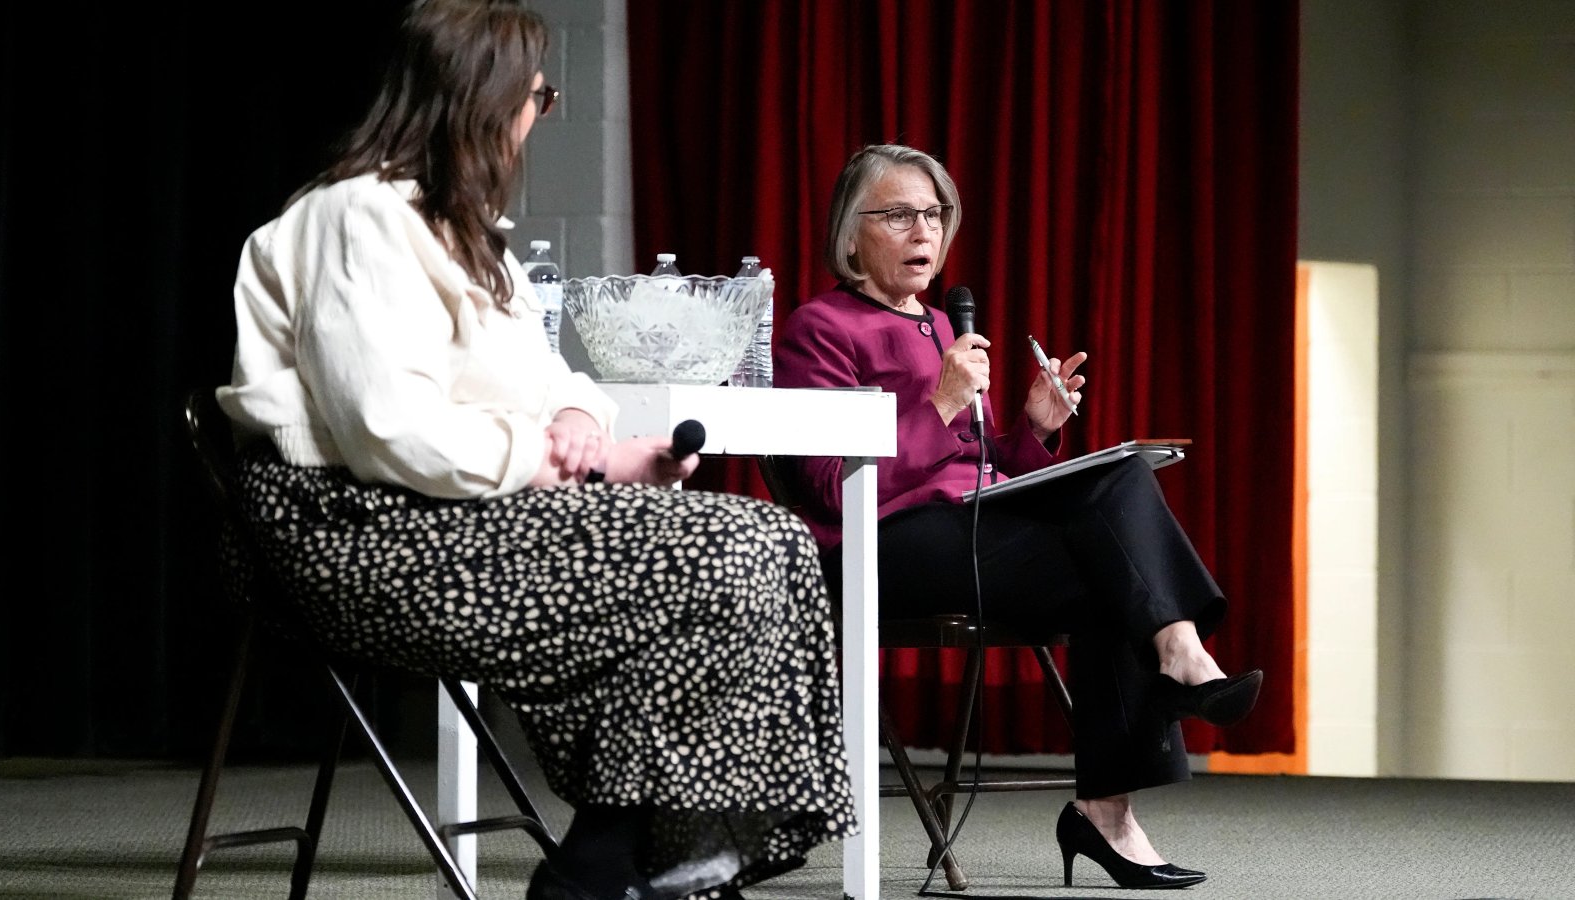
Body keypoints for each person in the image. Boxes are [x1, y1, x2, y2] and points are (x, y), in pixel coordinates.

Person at [214, 3, 854, 898]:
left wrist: (588, 425)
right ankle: (623, 860)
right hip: (357, 530)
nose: (537, 117)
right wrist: (572, 464)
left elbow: (552, 376)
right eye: (539, 97)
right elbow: (389, 428)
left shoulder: (468, 230)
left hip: (462, 510)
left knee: (773, 541)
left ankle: (646, 850)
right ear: (488, 99)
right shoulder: (354, 216)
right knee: (725, 554)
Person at [772, 143, 1262, 890]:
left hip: (966, 529)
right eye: (899, 215)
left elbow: (978, 465)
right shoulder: (820, 329)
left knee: (1120, 498)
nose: (922, 233)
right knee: (1116, 558)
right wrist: (937, 401)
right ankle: (1182, 657)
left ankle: (1109, 805)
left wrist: (1029, 431)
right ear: (851, 233)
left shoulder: (942, 325)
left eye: (934, 215)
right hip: (877, 547)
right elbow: (825, 485)